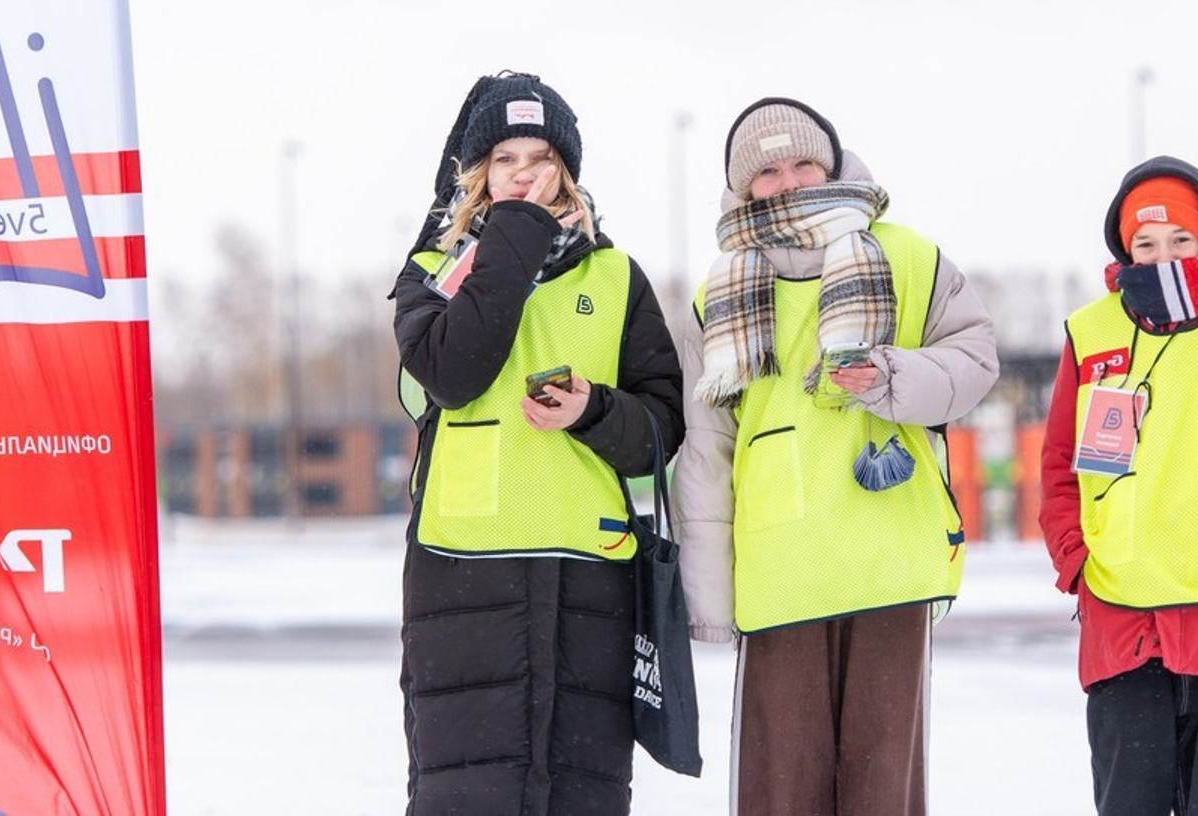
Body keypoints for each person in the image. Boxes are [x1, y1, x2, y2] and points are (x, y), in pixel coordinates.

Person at [670, 96, 999, 816]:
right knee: (780, 792)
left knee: (884, 793)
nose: (788, 182)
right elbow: (707, 450)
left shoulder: (909, 256)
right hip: (779, 571)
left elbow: (975, 362)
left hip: (889, 559)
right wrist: (711, 596)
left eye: (803, 163)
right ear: (741, 188)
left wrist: (890, 377)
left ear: (833, 165)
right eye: (767, 172)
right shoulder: (715, 293)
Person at [392, 70, 684, 816]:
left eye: (541, 158)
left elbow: (661, 431)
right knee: (467, 794)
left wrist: (594, 411)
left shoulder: (617, 277)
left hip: (590, 576)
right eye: (505, 159)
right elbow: (452, 375)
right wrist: (518, 233)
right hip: (463, 574)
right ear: (479, 174)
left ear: (568, 171)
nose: (524, 174)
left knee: (582, 795)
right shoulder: (431, 273)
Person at [1040, 156, 1198, 816]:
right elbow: (1059, 463)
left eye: (1181, 240)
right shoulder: (1092, 332)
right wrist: (1076, 561)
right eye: (1147, 243)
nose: (1163, 257)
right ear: (1125, 249)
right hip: (1123, 624)